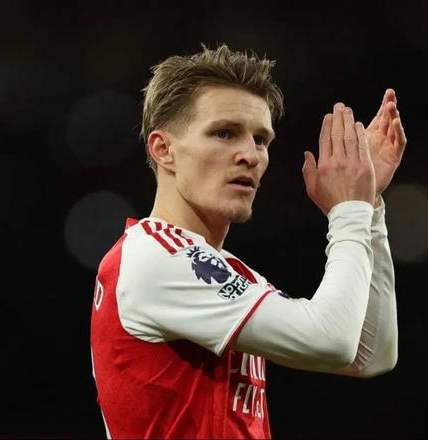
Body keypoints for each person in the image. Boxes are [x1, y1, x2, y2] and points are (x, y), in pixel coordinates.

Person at [90, 43, 406, 439]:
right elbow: (331, 341)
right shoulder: (155, 256)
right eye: (224, 133)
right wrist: (348, 211)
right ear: (163, 150)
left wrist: (368, 206)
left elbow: (368, 354)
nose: (250, 155)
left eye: (260, 139)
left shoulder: (225, 269)